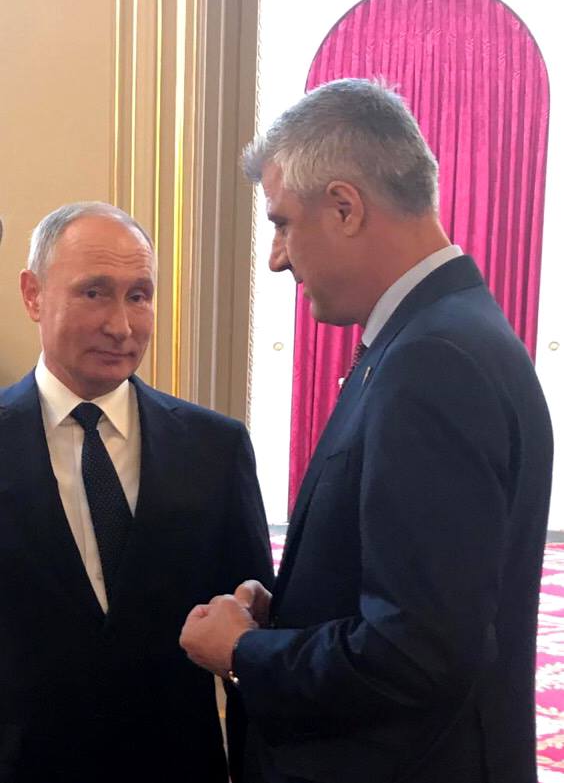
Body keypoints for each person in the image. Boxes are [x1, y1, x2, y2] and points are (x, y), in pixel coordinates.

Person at [180, 78, 553, 783]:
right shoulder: (442, 332)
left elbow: (418, 651)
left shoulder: (433, 361)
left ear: (344, 206)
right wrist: (288, 613)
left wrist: (242, 652)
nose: (277, 257)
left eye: (282, 223)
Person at [0, 202, 273, 783]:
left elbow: (251, 641)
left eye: (139, 296)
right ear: (33, 294)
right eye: (94, 293)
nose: (121, 326)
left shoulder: (216, 449)